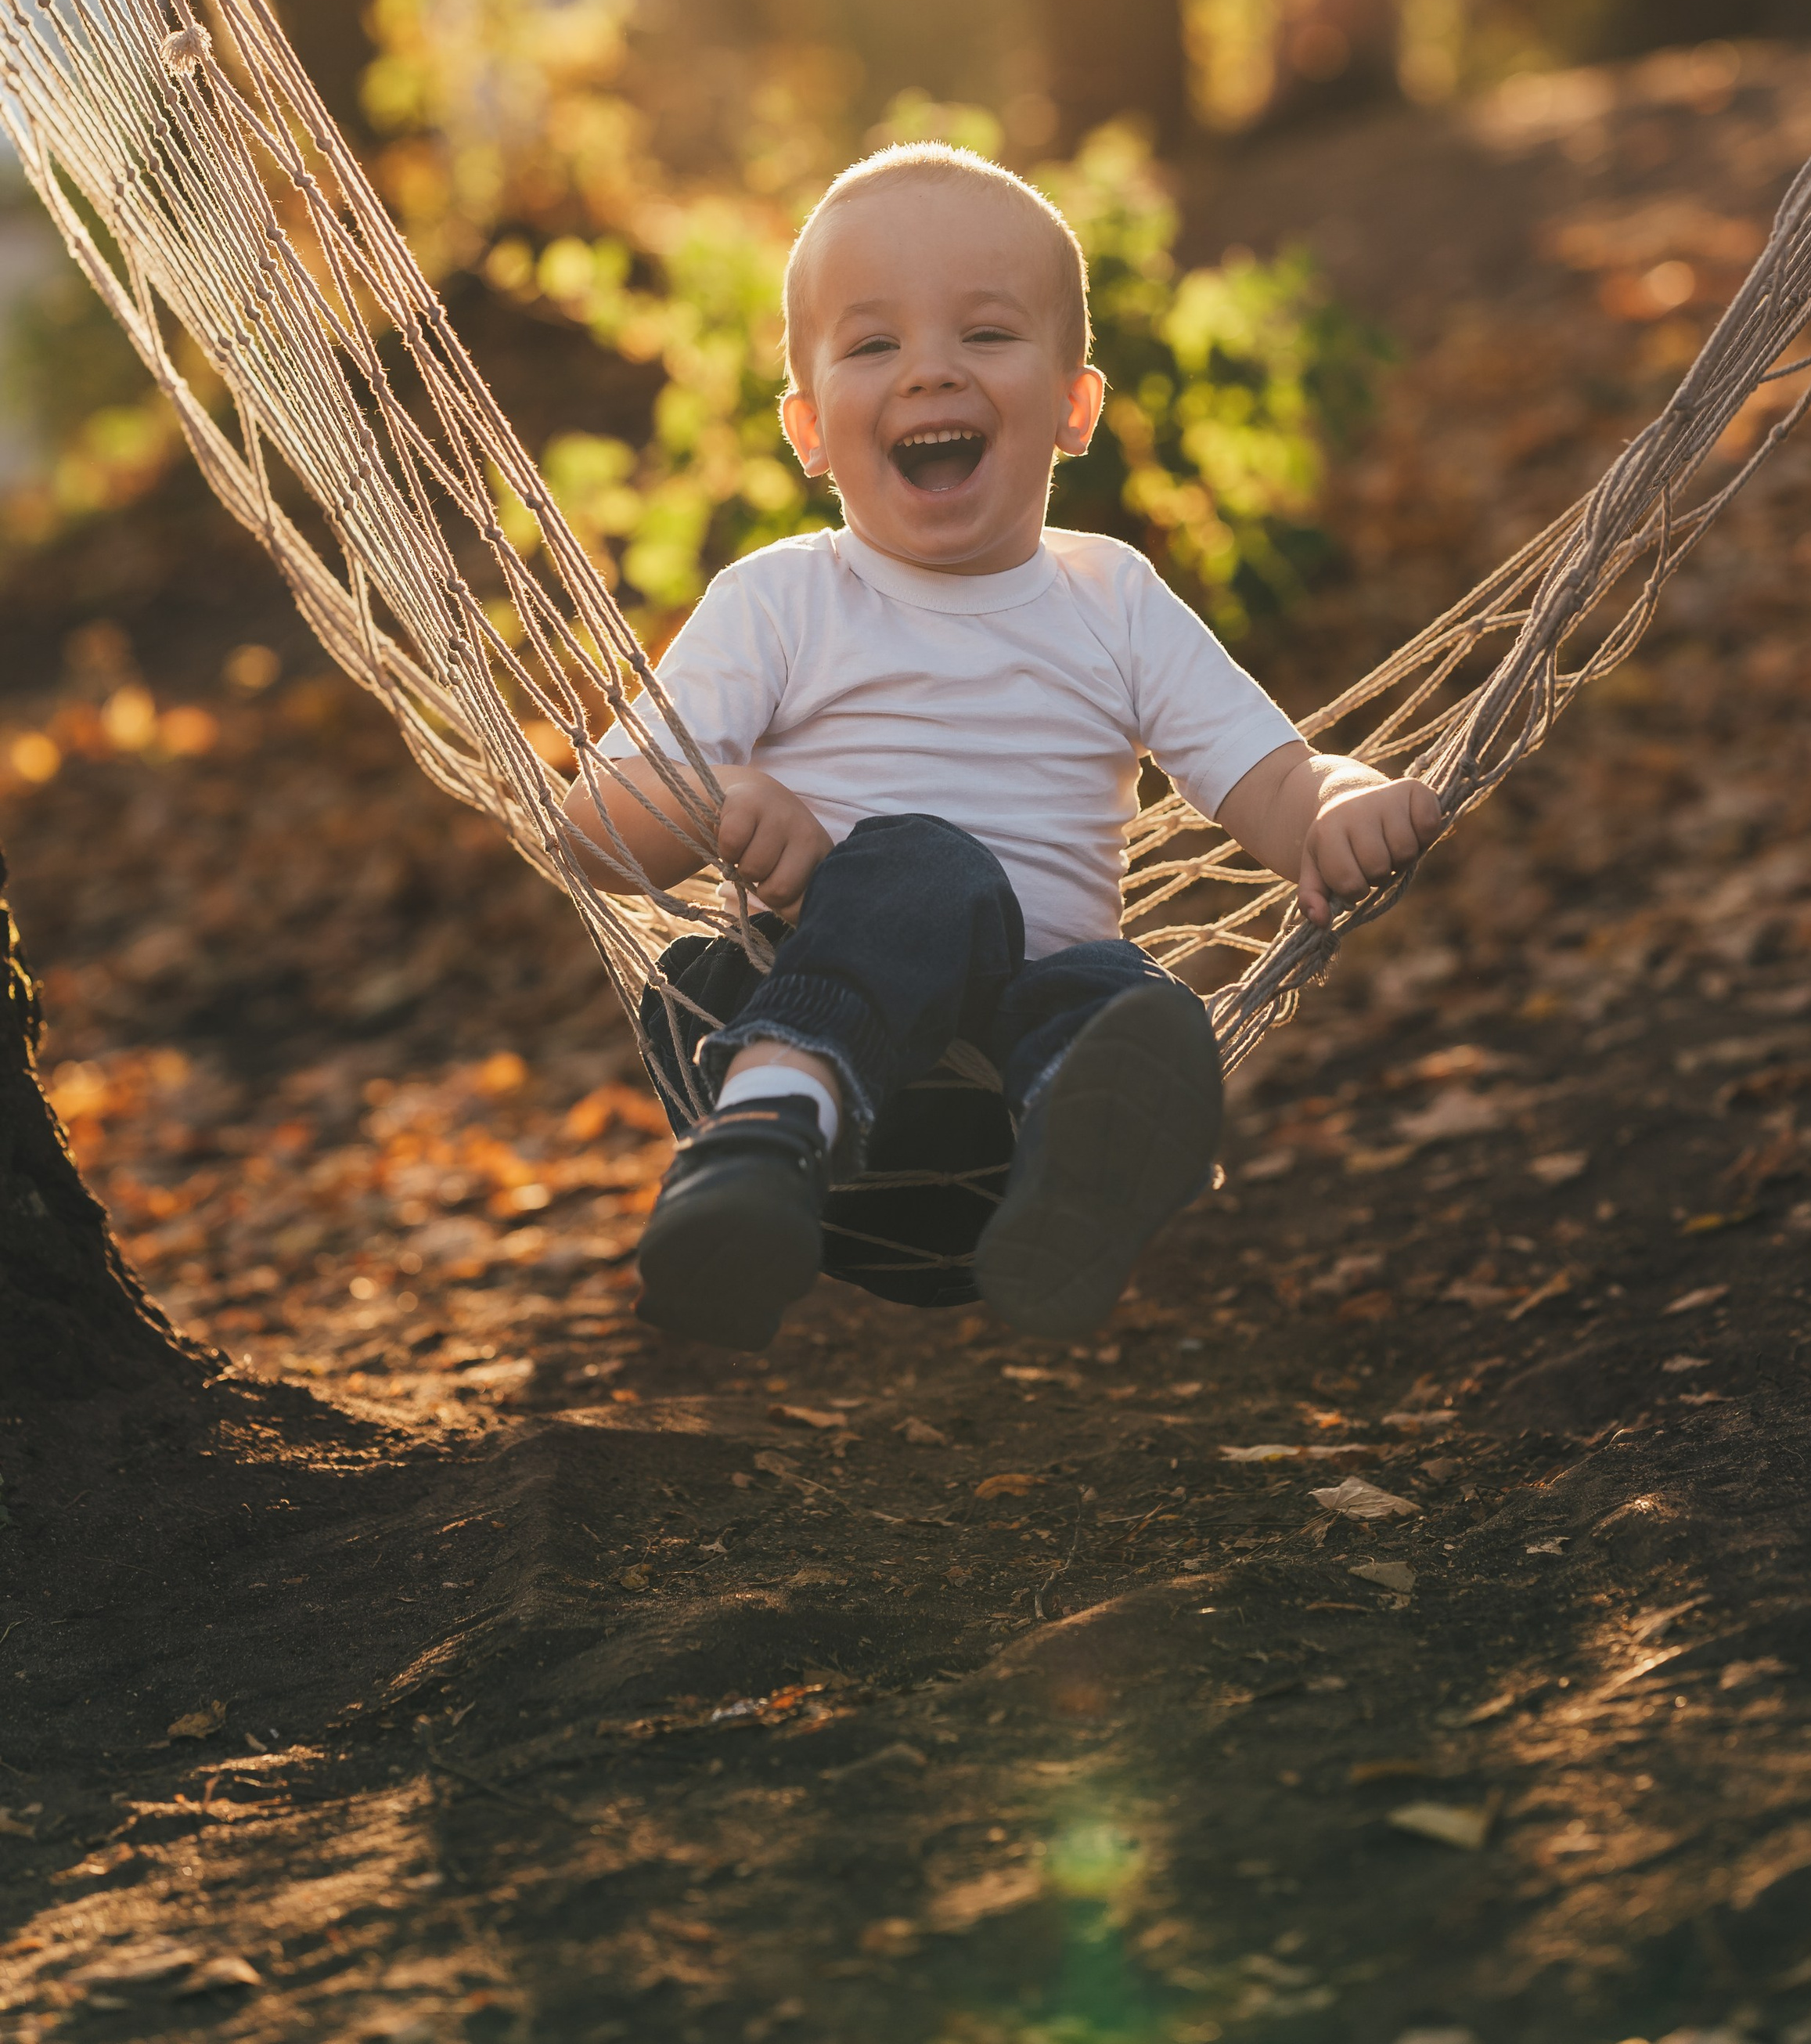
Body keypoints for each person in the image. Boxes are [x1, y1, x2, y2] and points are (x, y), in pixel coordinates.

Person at [561, 143, 1441, 1351]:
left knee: (1135, 1009)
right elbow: (595, 828)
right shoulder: (781, 600)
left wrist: (1344, 806)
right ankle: (758, 1146)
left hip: (996, 1106)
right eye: (875, 346)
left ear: (1075, 405)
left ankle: (1078, 1198)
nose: (930, 372)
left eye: (984, 334)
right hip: (824, 1032)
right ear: (810, 429)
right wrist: (721, 796)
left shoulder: (1113, 599)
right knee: (931, 868)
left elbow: (1274, 778)